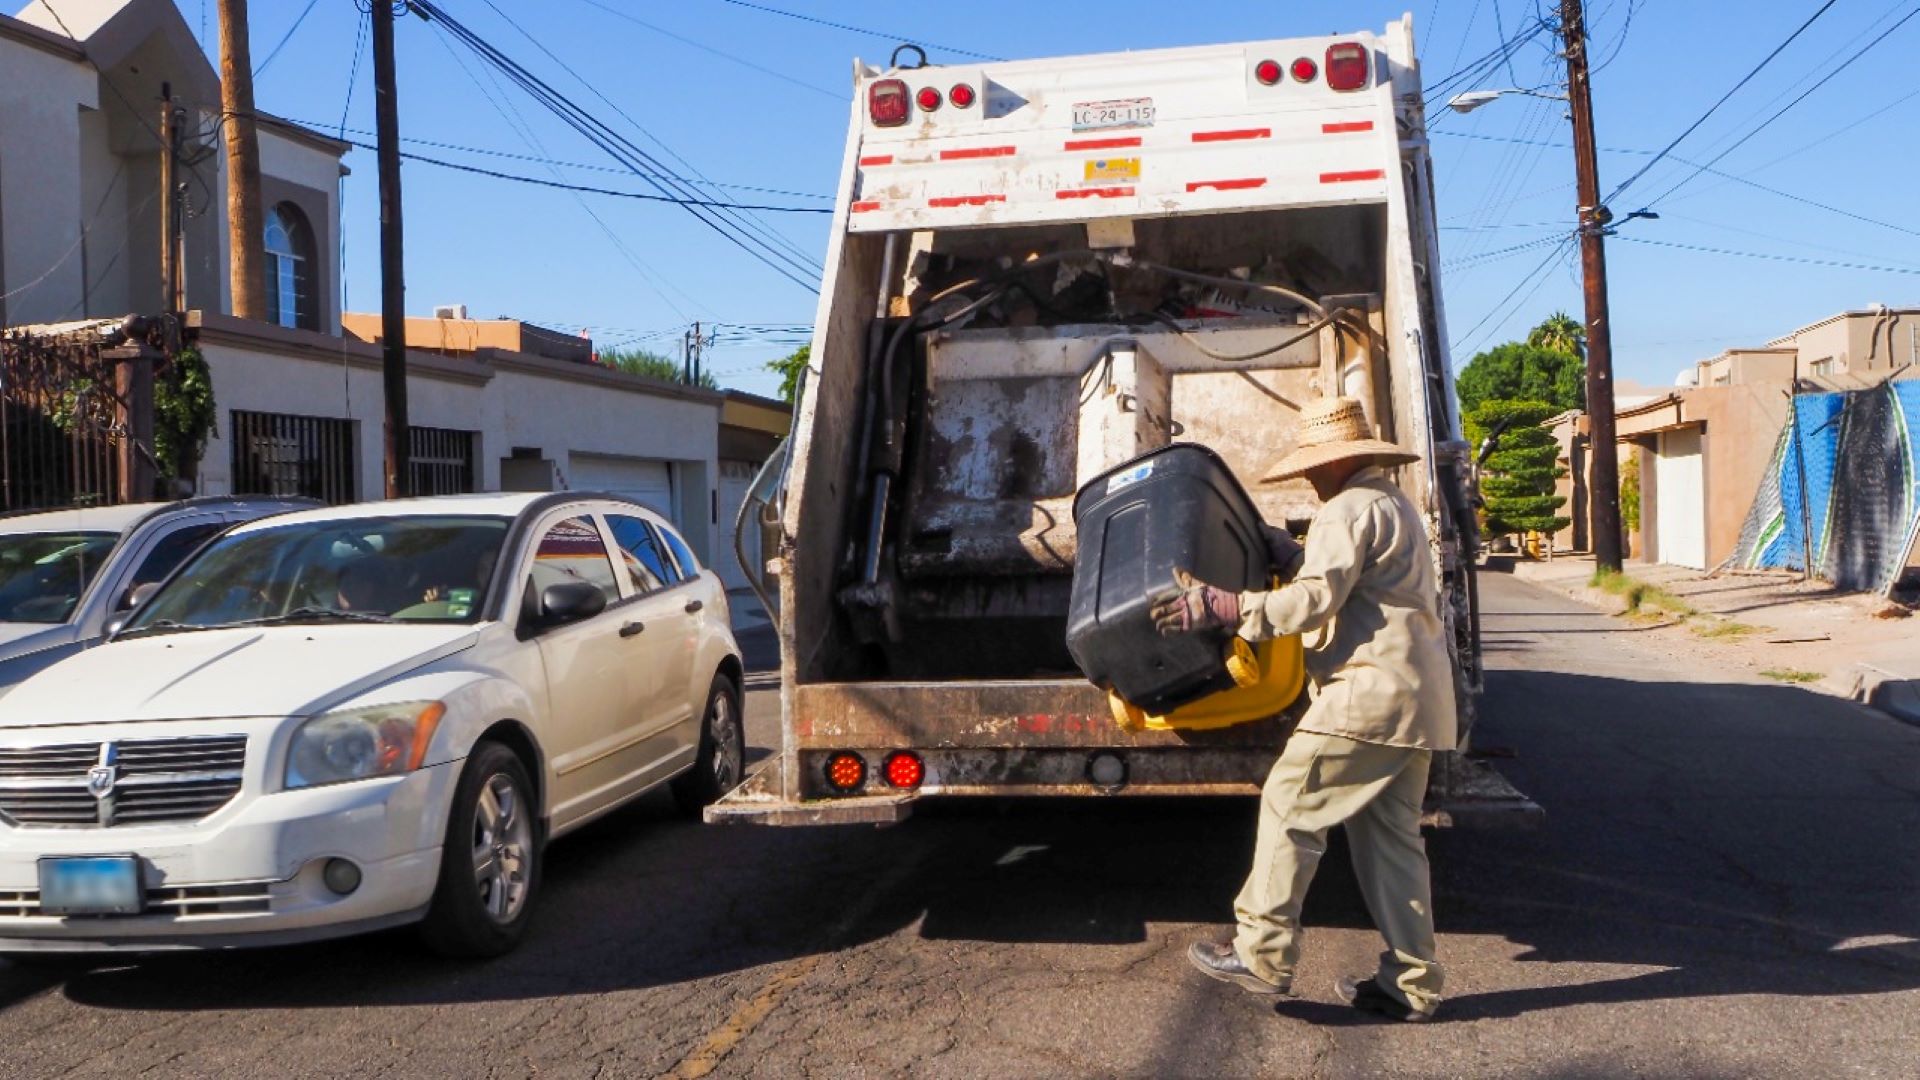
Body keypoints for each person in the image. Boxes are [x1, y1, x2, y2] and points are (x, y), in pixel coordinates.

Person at [1151, 395, 1458, 1023]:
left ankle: (1262, 952)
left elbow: (1316, 602)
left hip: (1365, 697)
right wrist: (1286, 553)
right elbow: (1360, 587)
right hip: (1420, 704)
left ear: (1333, 463)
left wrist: (1228, 608)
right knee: (1392, 845)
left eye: (1313, 468)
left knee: (1290, 802)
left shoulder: (1346, 510)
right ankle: (1412, 984)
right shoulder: (1389, 504)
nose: (1311, 479)